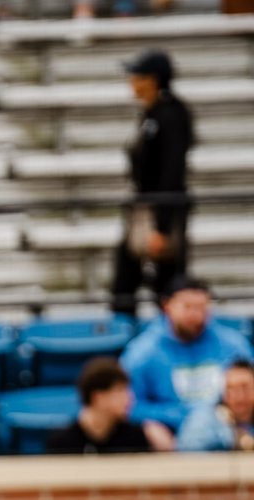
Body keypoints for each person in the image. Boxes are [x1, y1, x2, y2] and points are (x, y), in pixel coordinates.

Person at [111, 50, 193, 317]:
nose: (131, 82)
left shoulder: (170, 116)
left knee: (166, 283)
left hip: (160, 212)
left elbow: (172, 172)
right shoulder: (152, 114)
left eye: (137, 76)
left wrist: (162, 226)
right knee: (128, 280)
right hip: (145, 208)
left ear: (153, 79)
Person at [121, 276, 253, 431]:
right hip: (170, 435)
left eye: (202, 308)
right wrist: (166, 420)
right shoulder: (142, 352)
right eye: (188, 307)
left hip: (231, 429)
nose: (195, 315)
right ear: (167, 305)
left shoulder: (233, 345)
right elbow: (127, 405)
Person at [47, 357, 172, 454]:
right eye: (120, 390)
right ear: (98, 397)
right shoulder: (62, 443)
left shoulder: (136, 437)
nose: (129, 398)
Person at [177, 359, 254, 451]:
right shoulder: (208, 418)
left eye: (244, 387)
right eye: (231, 389)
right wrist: (233, 436)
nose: (239, 396)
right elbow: (188, 446)